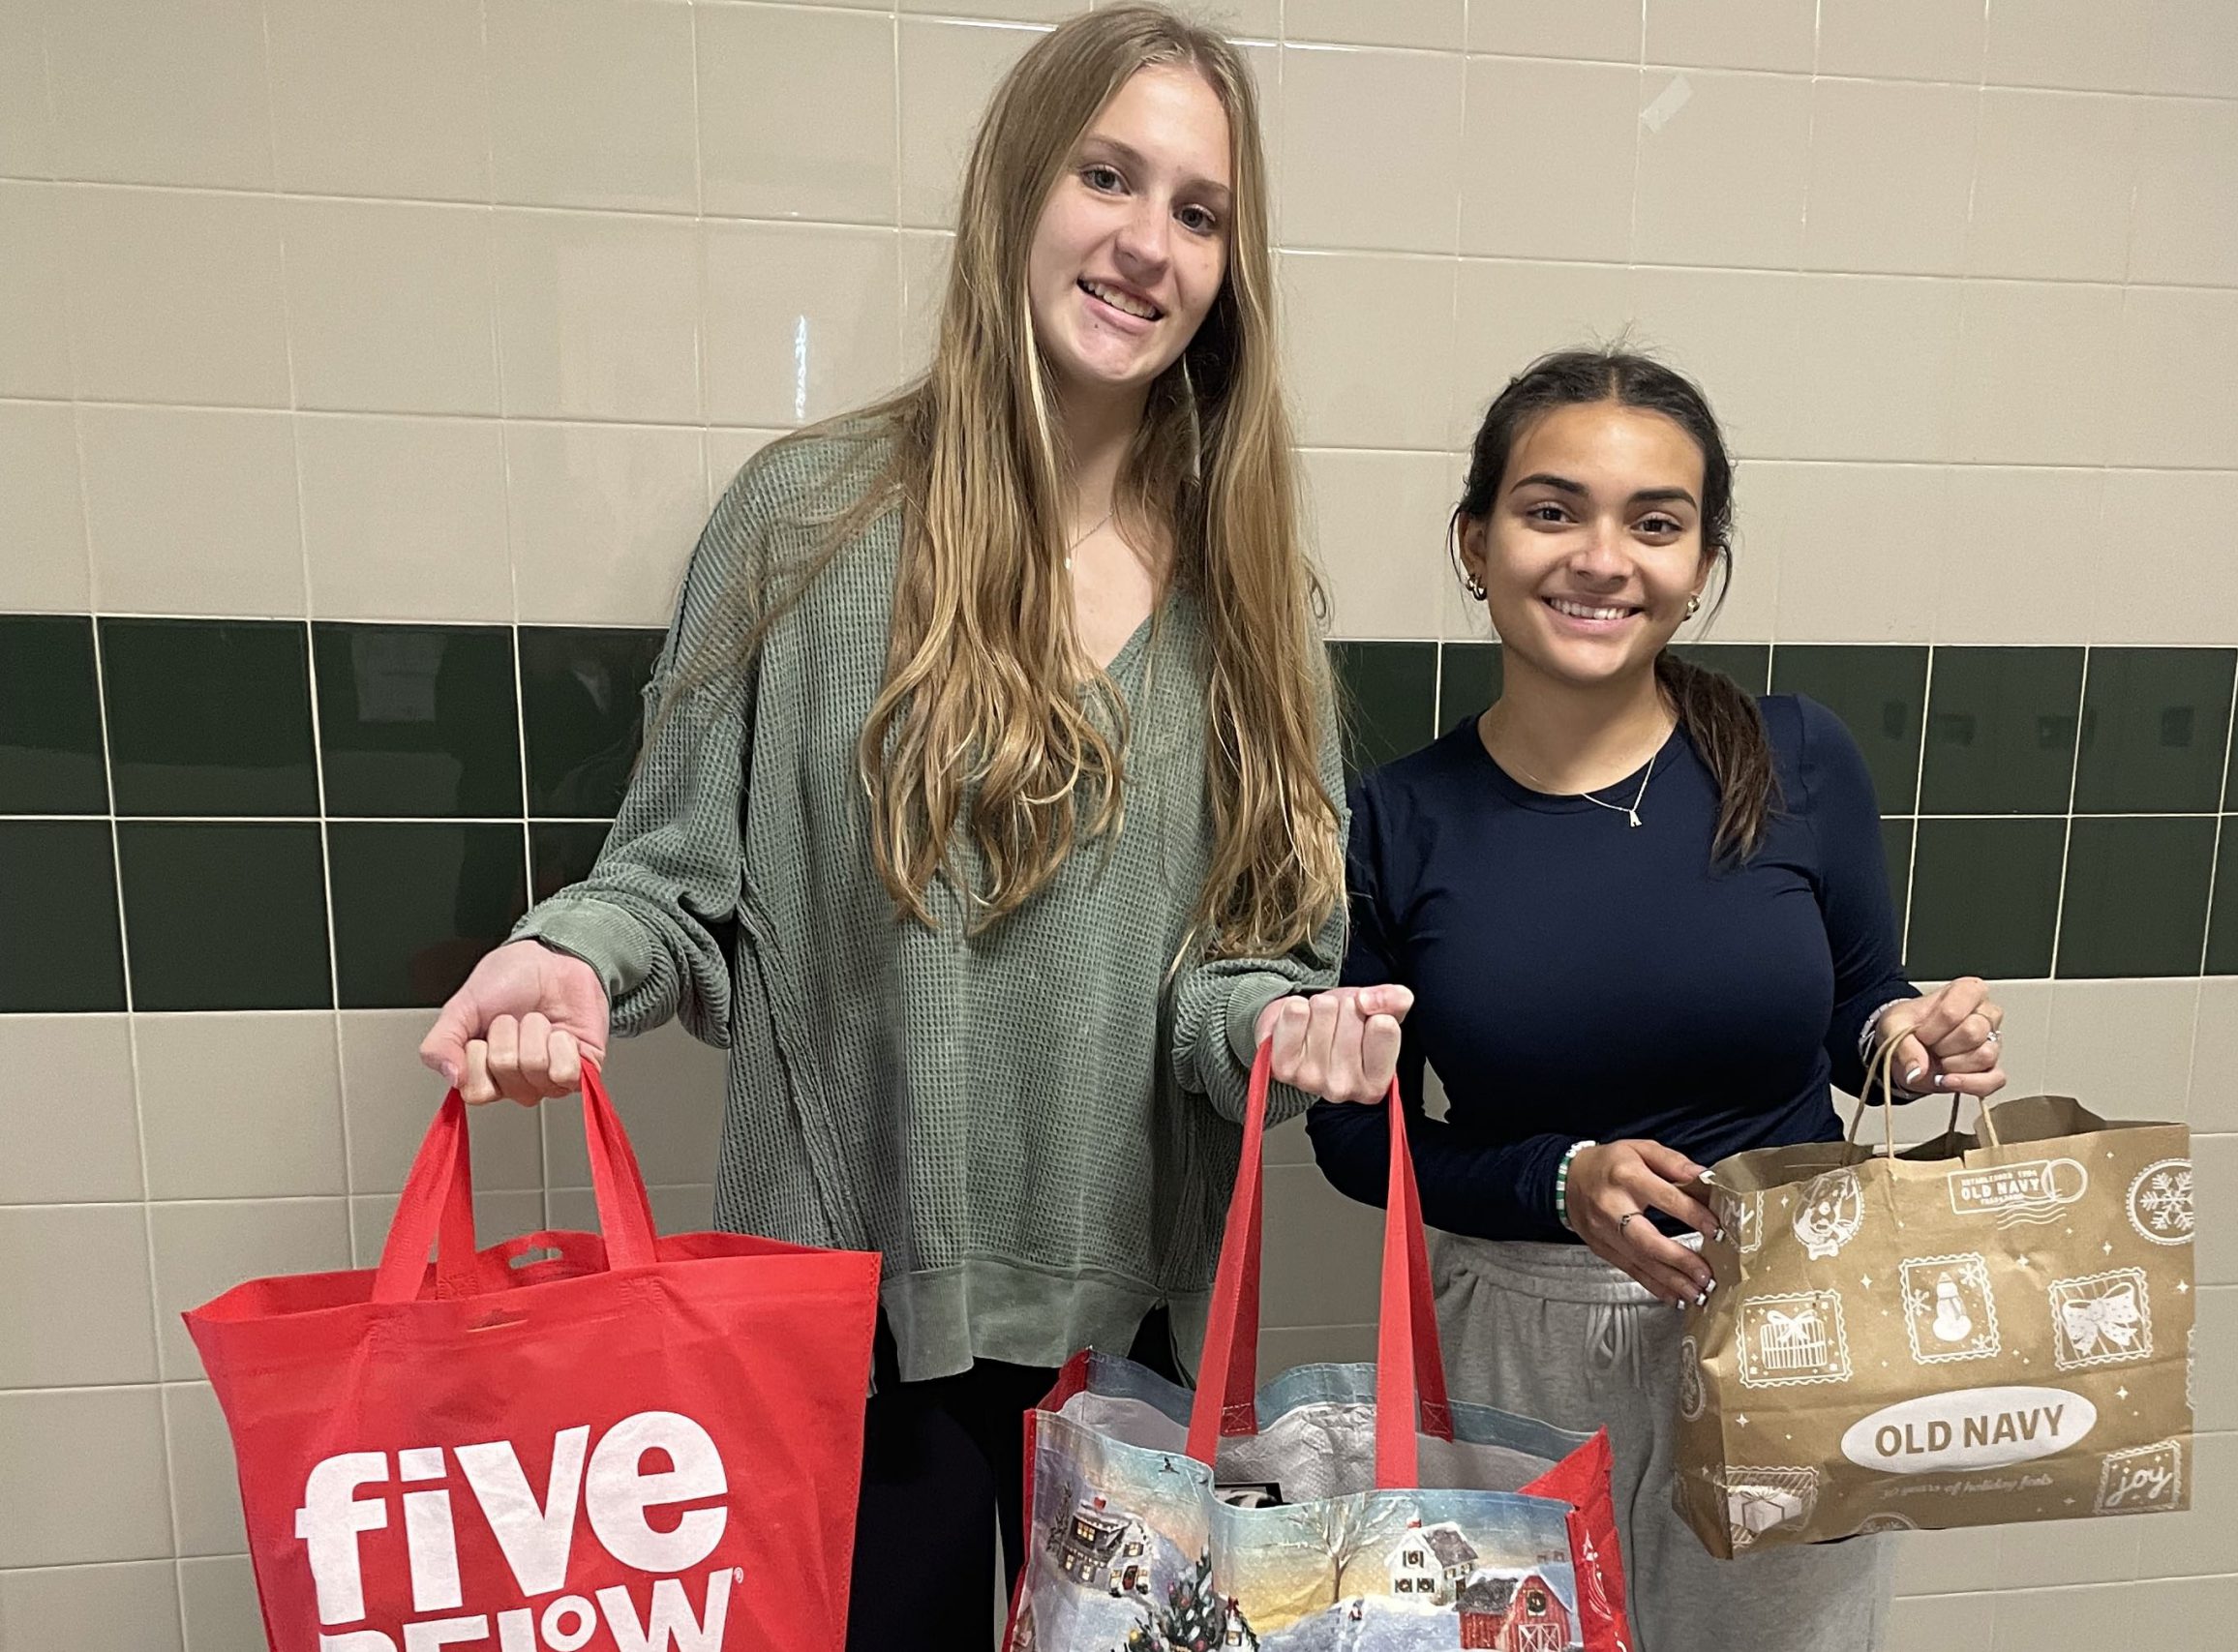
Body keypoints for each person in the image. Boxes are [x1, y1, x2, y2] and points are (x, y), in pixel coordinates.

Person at [415, 11, 1382, 1645]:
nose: (1148, 243)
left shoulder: (1252, 593)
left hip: (1128, 1357)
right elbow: (675, 883)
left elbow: (1237, 968)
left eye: (1200, 212)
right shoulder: (811, 519)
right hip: (842, 1334)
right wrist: (570, 957)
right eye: (1108, 176)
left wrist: (1290, 1029)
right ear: (1020, 187)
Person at [1280, 348, 2008, 1652]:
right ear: (1475, 540)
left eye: (1654, 523)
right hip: (1517, 1349)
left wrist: (1911, 1043)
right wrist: (1559, 1182)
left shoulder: (1798, 759)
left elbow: (1861, 1012)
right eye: (1552, 511)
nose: (1600, 559)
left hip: (1791, 1321)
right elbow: (1353, 1138)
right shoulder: (1401, 817)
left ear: (1700, 566)